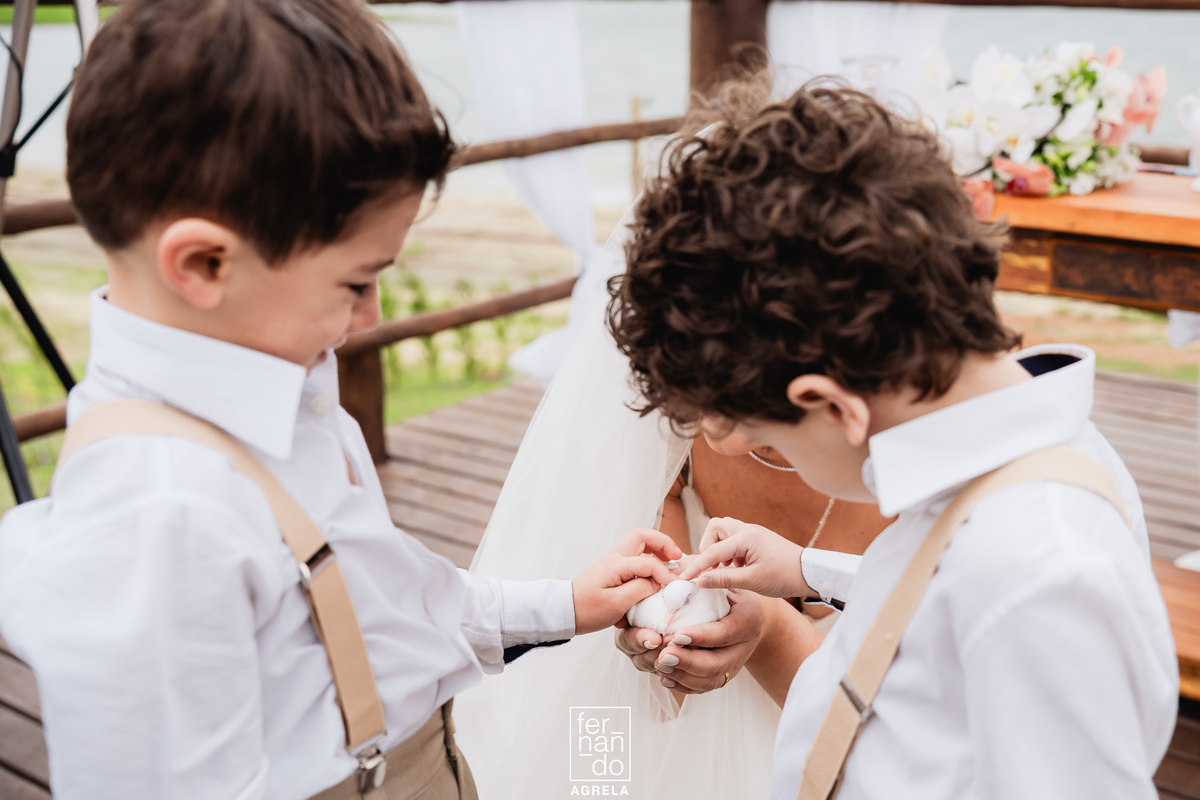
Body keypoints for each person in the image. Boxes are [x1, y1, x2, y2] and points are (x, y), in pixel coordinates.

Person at [0, 2, 683, 798]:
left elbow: (383, 605)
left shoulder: (285, 391)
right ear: (205, 265)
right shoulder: (162, 517)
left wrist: (563, 604)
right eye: (356, 283)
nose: (371, 316)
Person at [608, 82, 1178, 799]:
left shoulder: (1040, 575)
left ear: (831, 407)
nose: (752, 454)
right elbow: (935, 615)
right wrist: (807, 572)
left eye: (769, 441)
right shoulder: (1000, 477)